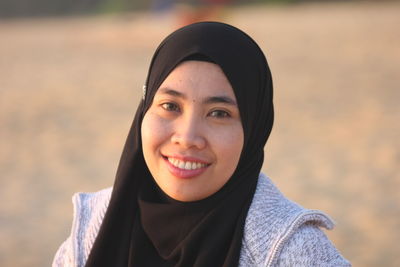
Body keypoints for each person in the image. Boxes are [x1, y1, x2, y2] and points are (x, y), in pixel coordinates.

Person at [52, 22, 350, 266]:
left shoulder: (294, 253)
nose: (188, 137)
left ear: (254, 130)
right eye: (170, 106)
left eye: (219, 113)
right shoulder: (90, 231)